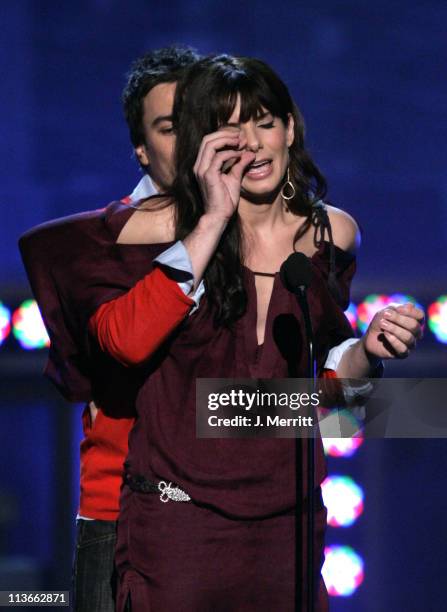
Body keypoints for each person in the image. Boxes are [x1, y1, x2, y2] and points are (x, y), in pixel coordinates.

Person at [79, 55, 423, 611]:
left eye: (264, 122)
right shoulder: (161, 228)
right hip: (180, 526)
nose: (254, 144)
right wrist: (212, 218)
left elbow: (337, 412)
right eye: (232, 129)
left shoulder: (331, 234)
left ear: (290, 128)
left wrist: (368, 349)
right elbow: (123, 343)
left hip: (287, 528)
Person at [19, 45, 201, 612]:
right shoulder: (89, 246)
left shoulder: (283, 238)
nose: (194, 140)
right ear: (142, 151)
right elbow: (129, 342)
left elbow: (329, 404)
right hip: (123, 516)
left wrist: (360, 376)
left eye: (206, 121)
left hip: (249, 517)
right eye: (172, 127)